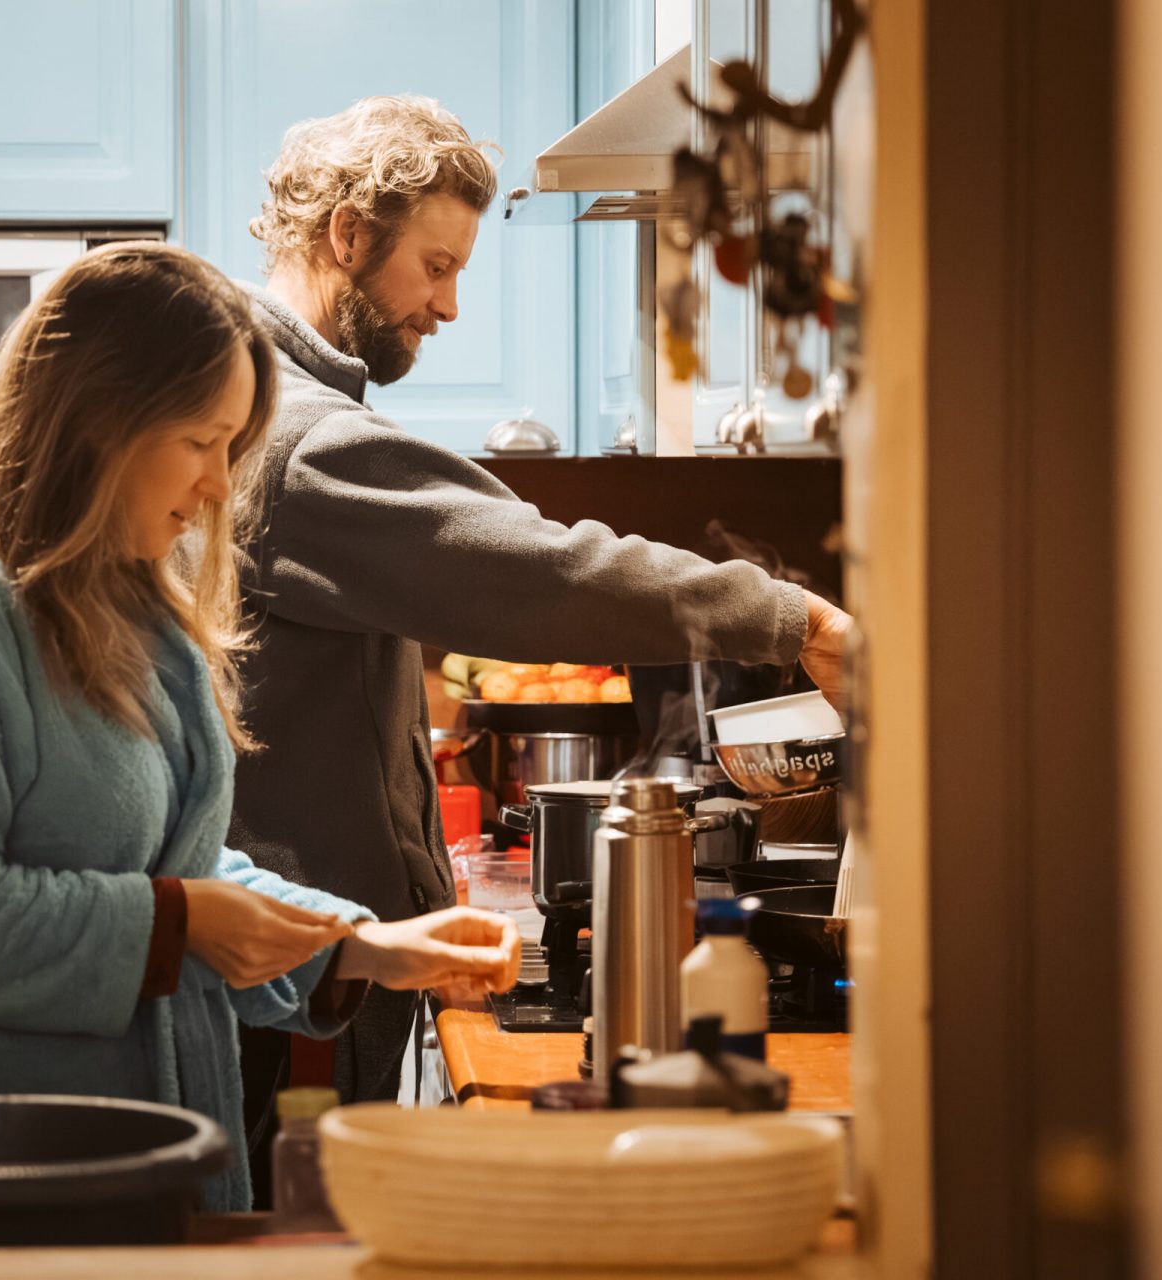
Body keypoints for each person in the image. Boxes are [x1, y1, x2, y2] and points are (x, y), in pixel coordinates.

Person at [0, 241, 519, 1212]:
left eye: (233, 446)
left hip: (147, 1141)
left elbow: (178, 867)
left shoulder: (126, 592)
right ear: (99, 422)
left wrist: (361, 944)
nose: (222, 484)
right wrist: (183, 923)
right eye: (201, 441)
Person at [228, 96, 854, 1140]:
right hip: (297, 981)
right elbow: (547, 575)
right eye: (437, 266)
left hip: (306, 960)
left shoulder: (279, 403)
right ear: (348, 234)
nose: (451, 306)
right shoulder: (306, 440)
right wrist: (794, 620)